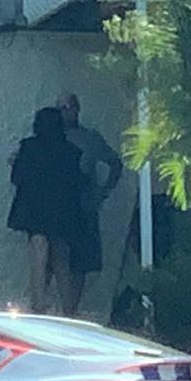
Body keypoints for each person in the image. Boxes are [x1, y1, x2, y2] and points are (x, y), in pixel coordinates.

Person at [8, 107, 85, 314]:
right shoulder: (71, 151)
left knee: (38, 253)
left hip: (35, 208)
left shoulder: (29, 147)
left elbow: (17, 178)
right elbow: (76, 182)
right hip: (62, 209)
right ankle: (69, 309)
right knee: (61, 257)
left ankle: (37, 304)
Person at [58, 93, 124, 316]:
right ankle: (54, 310)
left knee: (81, 263)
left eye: (68, 107)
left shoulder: (90, 138)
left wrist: (102, 193)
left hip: (84, 205)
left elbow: (115, 163)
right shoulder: (50, 138)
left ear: (77, 109)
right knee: (58, 258)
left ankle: (71, 312)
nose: (65, 112)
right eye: (60, 108)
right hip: (58, 205)